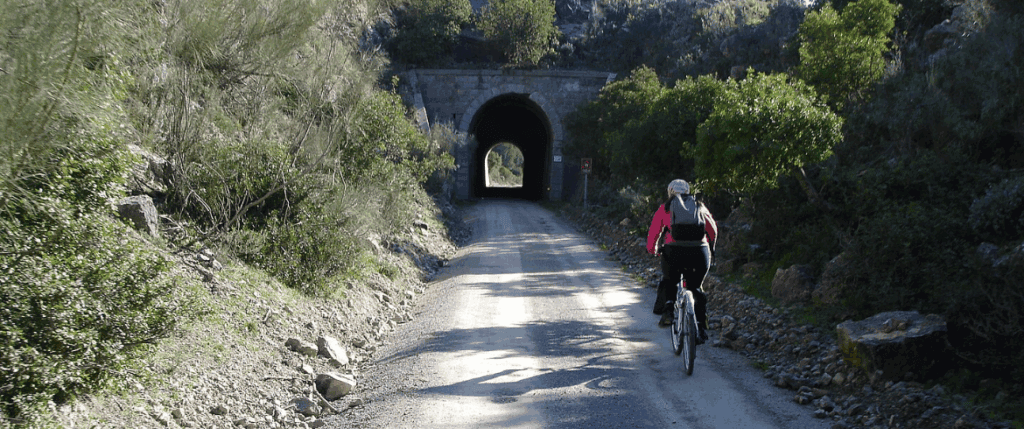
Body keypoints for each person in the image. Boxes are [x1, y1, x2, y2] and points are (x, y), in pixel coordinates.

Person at [646, 179, 717, 343]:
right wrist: (711, 248)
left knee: (670, 280)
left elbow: (654, 234)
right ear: (688, 191)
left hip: (674, 252)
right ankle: (700, 327)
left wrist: (654, 250)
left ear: (670, 192)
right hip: (700, 252)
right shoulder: (700, 206)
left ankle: (669, 309)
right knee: (696, 287)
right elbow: (712, 231)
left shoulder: (665, 208)